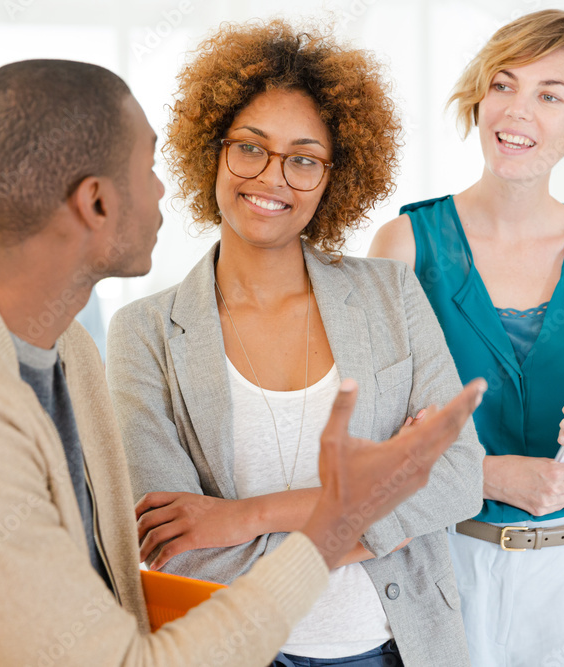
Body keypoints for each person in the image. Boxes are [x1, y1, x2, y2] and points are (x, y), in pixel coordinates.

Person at [0, 58, 486, 667]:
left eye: (302, 159)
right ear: (98, 201)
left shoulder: (68, 350)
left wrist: (275, 516)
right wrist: (335, 522)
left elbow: (113, 575)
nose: (166, 189)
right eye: (149, 169)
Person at [106, 20, 485, 667]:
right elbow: (179, 543)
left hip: (398, 645)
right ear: (214, 151)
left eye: (304, 158)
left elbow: (458, 479)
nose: (273, 177)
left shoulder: (391, 295)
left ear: (335, 176)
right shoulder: (144, 332)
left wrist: (244, 515)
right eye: (249, 147)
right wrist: (378, 516)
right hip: (240, 648)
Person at [369, 9, 564, 666]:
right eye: (502, 84)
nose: (515, 109)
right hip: (442, 564)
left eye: (549, 94)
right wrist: (490, 473)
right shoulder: (406, 245)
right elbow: (371, 450)